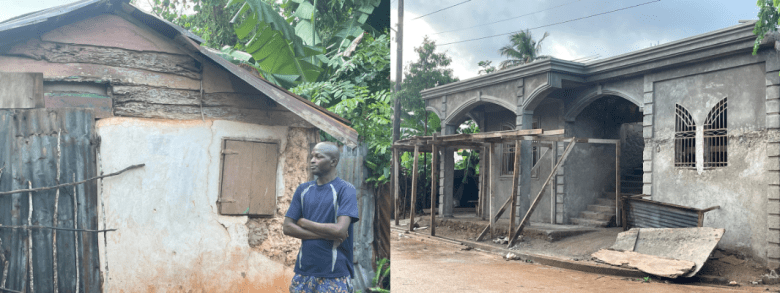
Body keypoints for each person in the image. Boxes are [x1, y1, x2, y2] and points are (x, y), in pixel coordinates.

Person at [283, 142, 359, 293]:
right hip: (303, 271)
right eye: (312, 156)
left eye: (318, 157)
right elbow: (287, 227)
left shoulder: (345, 189)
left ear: (333, 162)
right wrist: (326, 235)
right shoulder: (303, 190)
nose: (312, 160)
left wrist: (304, 222)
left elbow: (339, 230)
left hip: (334, 273)